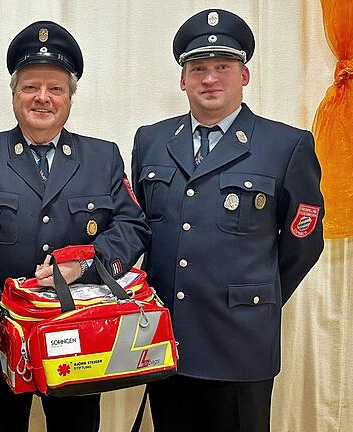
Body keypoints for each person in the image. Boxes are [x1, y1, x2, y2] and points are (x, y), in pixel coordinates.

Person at [0, 21, 150, 432]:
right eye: (31, 87)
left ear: (70, 97)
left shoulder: (102, 157)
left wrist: (87, 264)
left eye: (55, 88)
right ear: (15, 94)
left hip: (78, 332)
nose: (42, 98)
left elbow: (132, 226)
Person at [131, 9, 324, 432]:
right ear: (183, 79)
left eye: (223, 67)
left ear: (245, 75)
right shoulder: (152, 141)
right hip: (168, 340)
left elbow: (303, 243)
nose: (210, 79)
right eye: (198, 68)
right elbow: (142, 227)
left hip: (241, 343)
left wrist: (254, 297)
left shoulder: (286, 145)